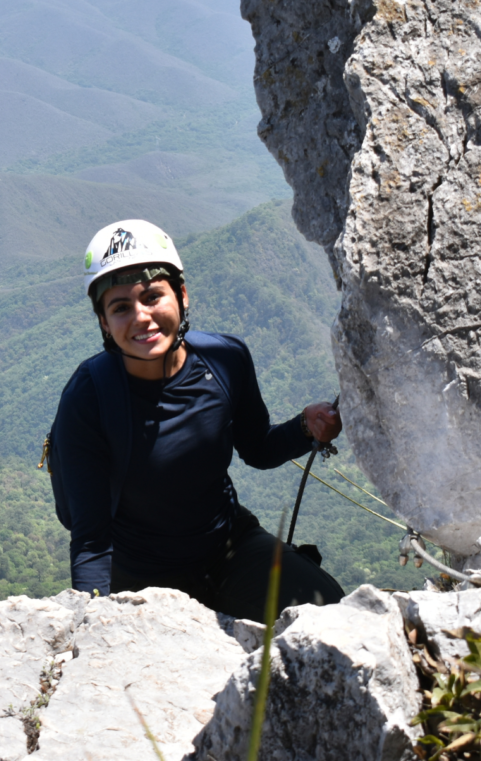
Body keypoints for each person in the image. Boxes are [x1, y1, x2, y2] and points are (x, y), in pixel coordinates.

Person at [51, 218, 345, 621]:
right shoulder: (89, 397)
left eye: (153, 296)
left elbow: (257, 447)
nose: (141, 317)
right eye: (120, 308)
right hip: (142, 576)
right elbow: (91, 539)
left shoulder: (225, 360)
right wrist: (92, 624)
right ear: (104, 322)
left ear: (182, 295)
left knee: (329, 609)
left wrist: (303, 428)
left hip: (229, 548)